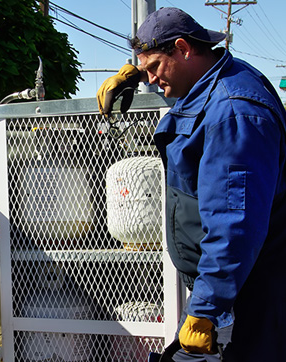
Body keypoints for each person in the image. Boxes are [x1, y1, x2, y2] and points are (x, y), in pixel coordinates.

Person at [97, 7, 286, 362]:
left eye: (154, 68)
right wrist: (137, 73)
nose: (152, 80)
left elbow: (235, 227)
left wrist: (204, 310)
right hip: (233, 289)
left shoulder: (233, 112)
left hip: (247, 292)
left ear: (183, 48)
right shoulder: (210, 82)